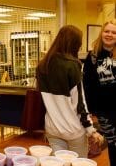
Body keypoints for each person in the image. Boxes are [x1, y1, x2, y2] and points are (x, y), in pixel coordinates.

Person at [36, 25, 103, 158]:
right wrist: (91, 130)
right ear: (75, 43)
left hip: (52, 128)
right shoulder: (73, 66)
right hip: (73, 130)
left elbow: (43, 100)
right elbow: (80, 103)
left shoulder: (42, 65)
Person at [83, 19, 116, 166]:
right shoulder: (93, 56)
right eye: (107, 31)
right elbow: (86, 84)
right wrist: (89, 110)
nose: (110, 34)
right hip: (104, 111)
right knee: (111, 142)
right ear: (102, 33)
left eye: (113, 32)